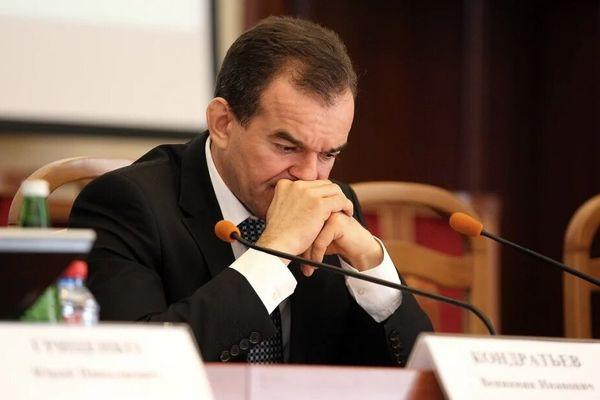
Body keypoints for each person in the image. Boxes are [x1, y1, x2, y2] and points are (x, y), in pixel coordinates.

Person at [69, 16, 432, 366]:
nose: (309, 176)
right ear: (223, 124)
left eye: (328, 154)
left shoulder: (335, 205)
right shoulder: (127, 204)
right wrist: (273, 253)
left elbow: (414, 376)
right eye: (286, 147)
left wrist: (373, 267)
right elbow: (134, 362)